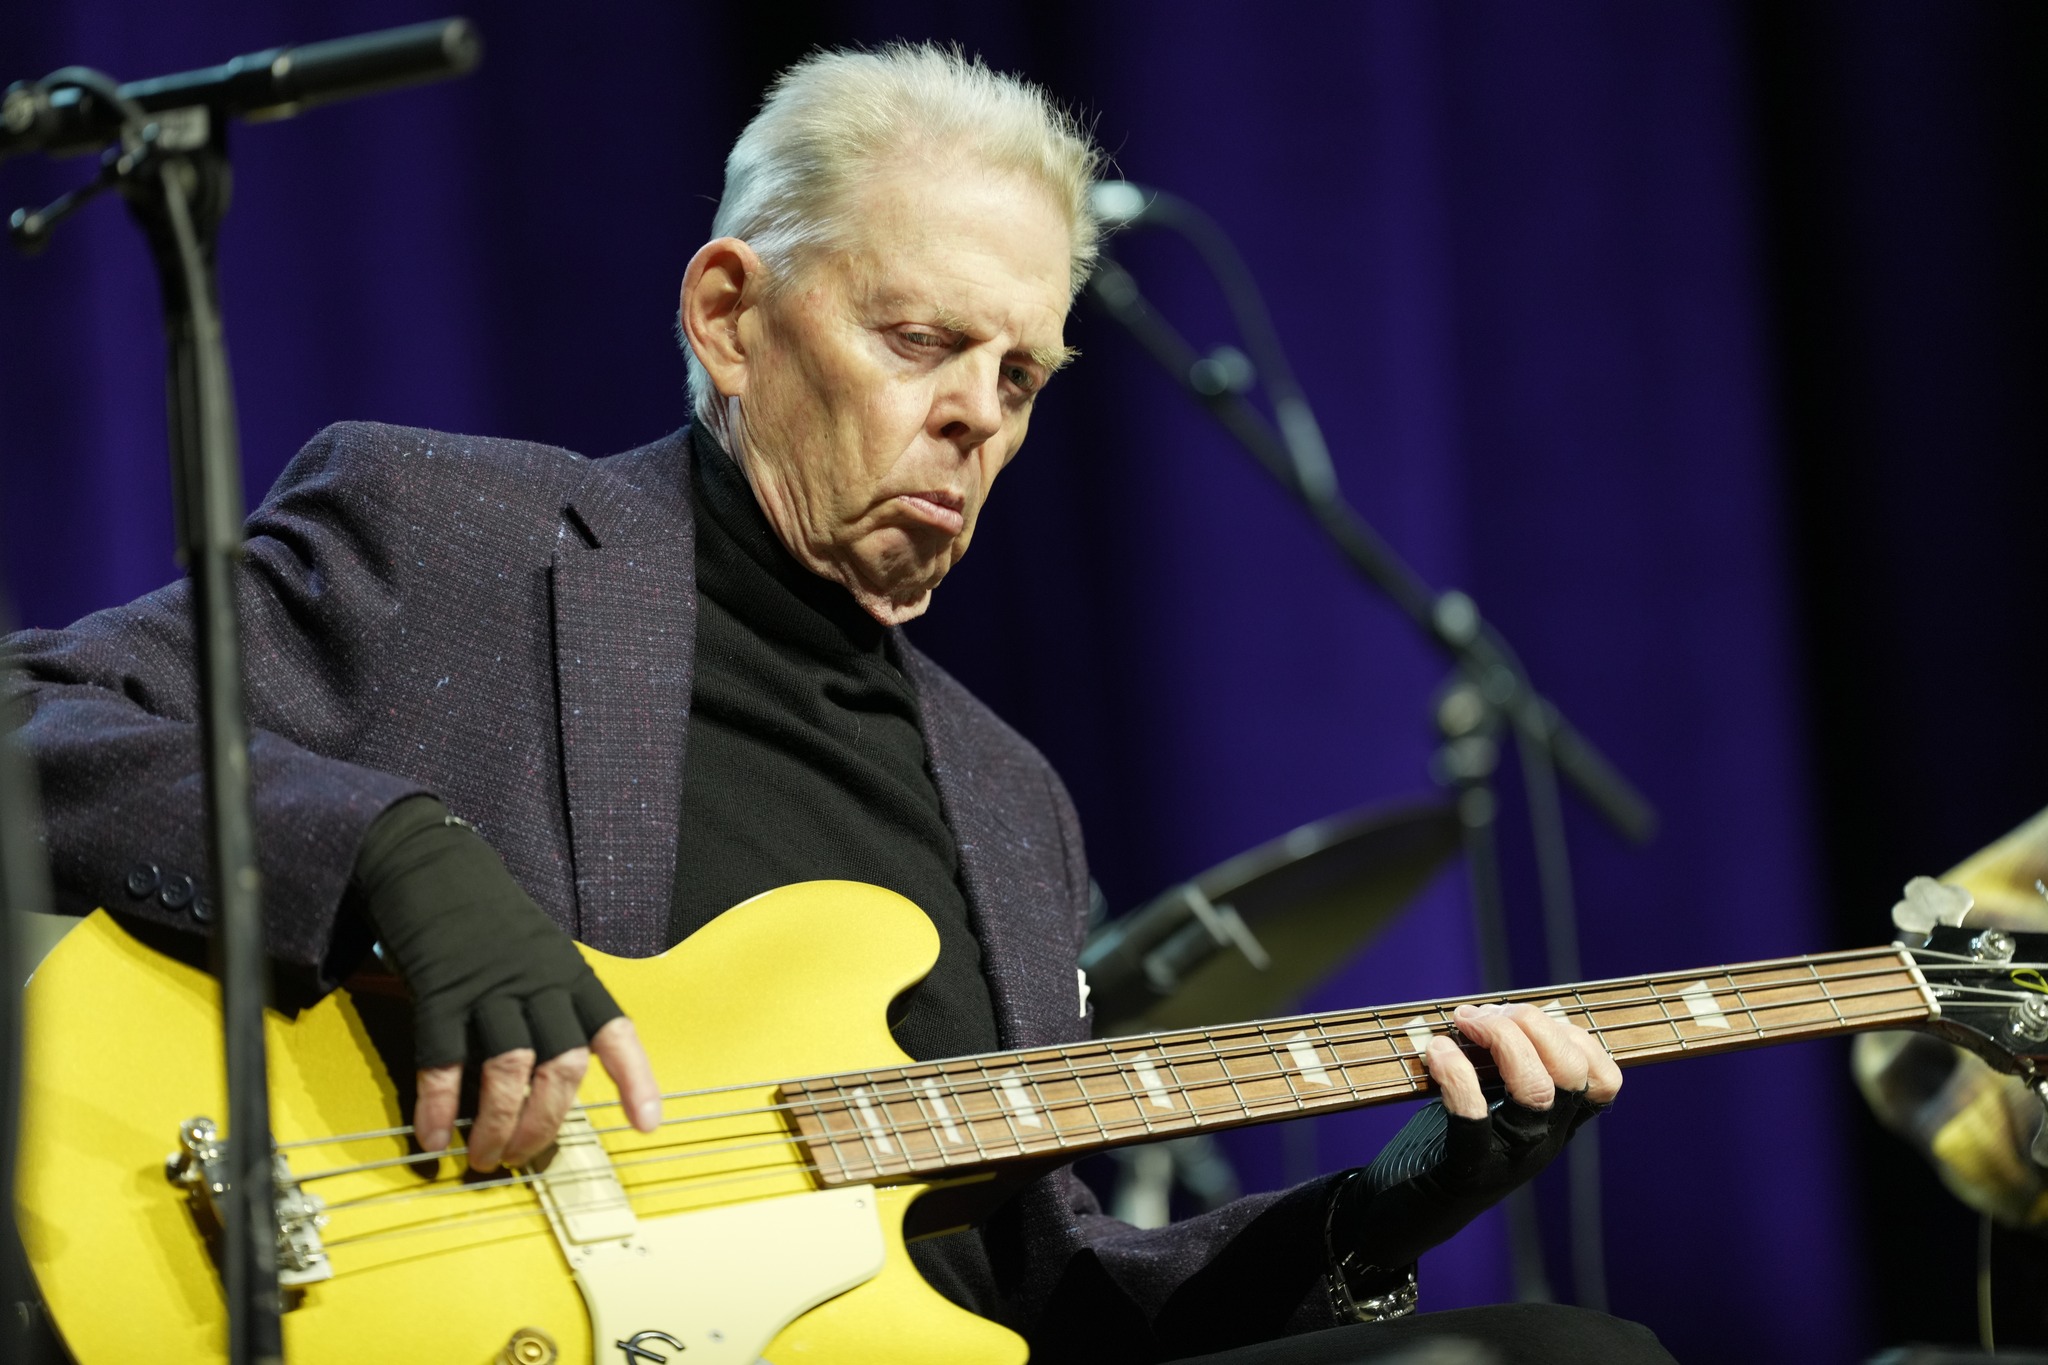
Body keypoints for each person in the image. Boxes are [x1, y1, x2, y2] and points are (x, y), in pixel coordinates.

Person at [2, 43, 1671, 1364]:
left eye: (1019, 374)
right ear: (729, 316)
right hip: (387, 1297)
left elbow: (1036, 1299)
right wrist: (392, 855)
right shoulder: (451, 540)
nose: (977, 417)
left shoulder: (1009, 801)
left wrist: (1377, 1214)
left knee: (1554, 1345)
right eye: (922, 340)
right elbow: (30, 711)